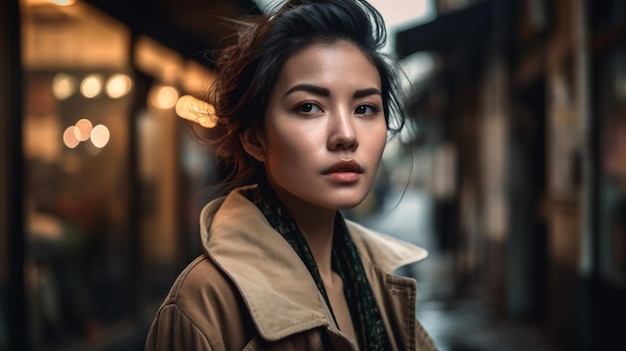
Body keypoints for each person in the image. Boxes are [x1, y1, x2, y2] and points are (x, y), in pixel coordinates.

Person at [145, 0, 437, 350]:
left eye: (364, 108)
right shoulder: (206, 300)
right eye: (309, 107)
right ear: (255, 138)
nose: (346, 135)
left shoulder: (380, 280)